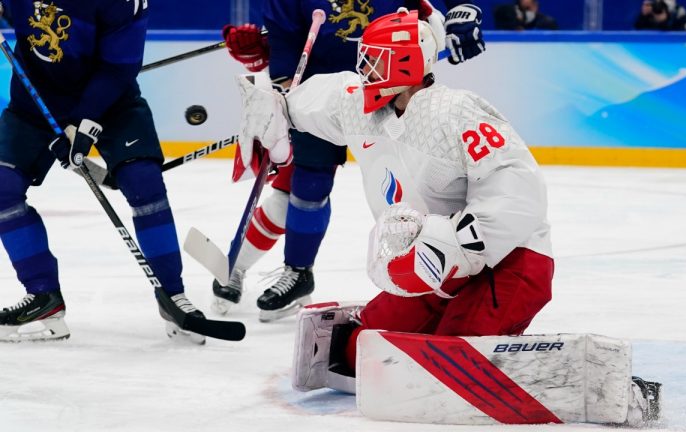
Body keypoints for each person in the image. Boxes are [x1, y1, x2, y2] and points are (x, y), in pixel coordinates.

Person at [241, 10, 661, 424]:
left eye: (375, 59)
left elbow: (518, 192)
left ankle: (607, 389)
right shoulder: (360, 107)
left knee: (450, 365)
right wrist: (275, 107)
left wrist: (451, 247)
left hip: (510, 260)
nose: (364, 68)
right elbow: (318, 99)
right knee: (359, 349)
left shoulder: (456, 113)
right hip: (431, 268)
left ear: (405, 64)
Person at [215, 0, 487, 321]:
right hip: (325, 97)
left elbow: (436, 17)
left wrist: (462, 10)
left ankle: (440, 268)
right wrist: (271, 71)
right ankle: (289, 270)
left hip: (399, 86)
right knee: (306, 184)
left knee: (418, 185)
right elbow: (286, 51)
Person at [0, 0, 208, 343]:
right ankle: (43, 298)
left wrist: (84, 125)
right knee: (3, 187)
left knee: (143, 181)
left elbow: (118, 67)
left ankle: (173, 294)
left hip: (111, 103)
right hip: (34, 103)